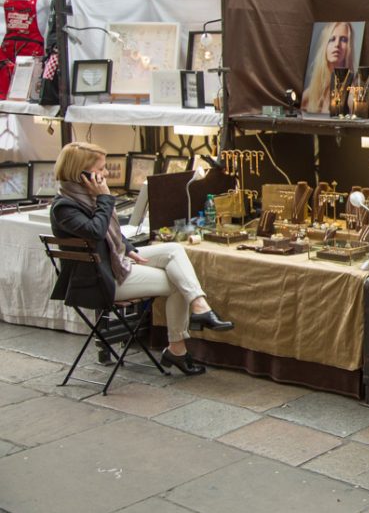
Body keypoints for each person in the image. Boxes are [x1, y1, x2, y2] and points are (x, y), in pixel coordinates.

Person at [49, 142, 234, 376]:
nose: (106, 174)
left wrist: (125, 246)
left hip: (112, 262)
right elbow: (95, 231)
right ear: (82, 174)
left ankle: (199, 307)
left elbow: (107, 233)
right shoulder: (64, 207)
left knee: (174, 250)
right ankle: (178, 348)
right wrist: (105, 198)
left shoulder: (85, 197)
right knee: (180, 283)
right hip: (100, 279)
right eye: (102, 169)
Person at [301, 21, 354, 113]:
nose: (337, 44)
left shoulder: (353, 94)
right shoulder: (309, 94)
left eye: (343, 40)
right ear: (325, 45)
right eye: (332, 39)